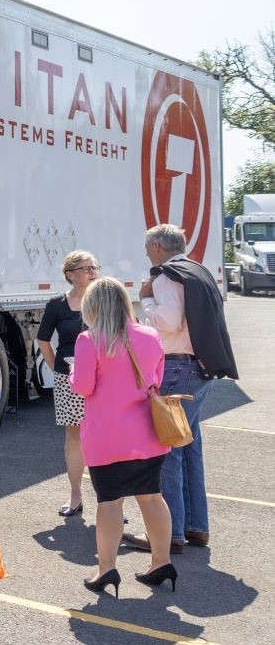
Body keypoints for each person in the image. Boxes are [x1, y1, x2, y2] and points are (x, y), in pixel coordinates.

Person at [124, 224, 240, 555]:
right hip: (200, 367)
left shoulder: (166, 277)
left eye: (147, 247)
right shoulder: (198, 271)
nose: (146, 252)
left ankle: (169, 533)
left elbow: (168, 322)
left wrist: (144, 300)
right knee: (189, 446)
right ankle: (196, 527)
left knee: (167, 448)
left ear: (158, 246)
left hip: (177, 366)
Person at [72, 276, 175, 596]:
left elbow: (83, 386)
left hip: (108, 438)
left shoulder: (89, 340)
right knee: (152, 498)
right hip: (148, 435)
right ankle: (161, 561)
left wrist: (74, 369)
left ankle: (107, 569)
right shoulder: (150, 335)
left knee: (109, 504)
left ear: (93, 307)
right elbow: (155, 379)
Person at [34, 250, 99, 518]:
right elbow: (43, 340)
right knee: (74, 437)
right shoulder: (57, 305)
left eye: (95, 267)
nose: (93, 271)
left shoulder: (105, 300)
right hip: (69, 379)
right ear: (70, 274)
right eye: (86, 268)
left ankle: (110, 501)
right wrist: (57, 369)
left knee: (102, 435)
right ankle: (75, 497)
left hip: (103, 377)